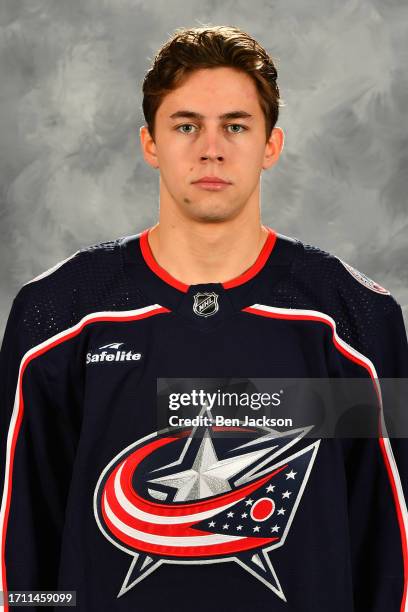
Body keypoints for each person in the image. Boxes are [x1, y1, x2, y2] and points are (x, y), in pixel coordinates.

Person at [0, 25, 407, 612]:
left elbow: (389, 543)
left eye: (235, 126)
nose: (210, 148)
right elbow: (23, 544)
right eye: (186, 126)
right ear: (150, 143)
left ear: (272, 144)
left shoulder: (354, 320)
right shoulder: (59, 316)